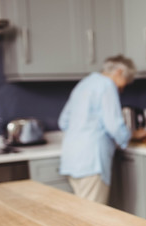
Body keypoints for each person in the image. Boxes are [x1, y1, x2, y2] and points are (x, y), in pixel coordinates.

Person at [59, 55, 139, 204]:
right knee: (93, 217)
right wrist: (128, 137)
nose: (122, 89)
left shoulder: (85, 83)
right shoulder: (107, 85)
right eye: (124, 83)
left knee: (82, 210)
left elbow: (63, 121)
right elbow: (114, 125)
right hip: (91, 161)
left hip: (72, 158)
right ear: (119, 71)